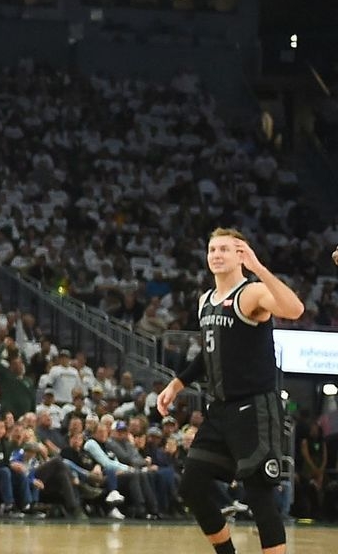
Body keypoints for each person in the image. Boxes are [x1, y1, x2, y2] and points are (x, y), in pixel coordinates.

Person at [156, 229, 306, 554]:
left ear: (240, 256)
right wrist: (177, 383)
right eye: (212, 249)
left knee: (259, 495)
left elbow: (295, 310)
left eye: (225, 249)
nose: (216, 254)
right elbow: (209, 355)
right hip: (220, 411)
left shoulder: (252, 293)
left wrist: (260, 268)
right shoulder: (205, 301)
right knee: (192, 484)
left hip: (255, 409)